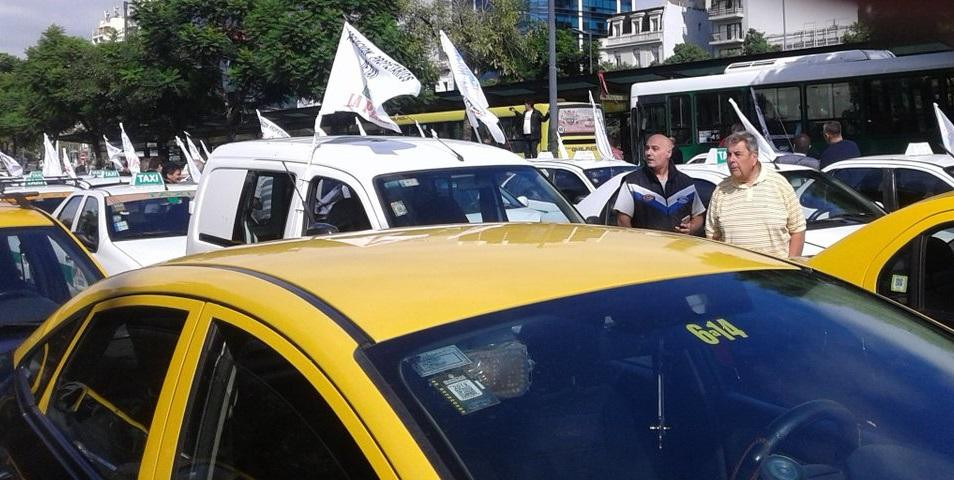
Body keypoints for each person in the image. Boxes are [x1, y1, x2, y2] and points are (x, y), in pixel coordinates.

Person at [706, 132, 806, 258]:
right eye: (728, 155)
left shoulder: (779, 184)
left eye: (737, 154)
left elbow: (797, 230)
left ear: (754, 157)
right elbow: (712, 236)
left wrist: (791, 268)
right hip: (735, 274)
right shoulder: (720, 191)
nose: (731, 160)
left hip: (775, 274)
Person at [614, 134, 705, 235]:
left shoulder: (685, 182)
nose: (649, 153)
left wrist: (692, 227)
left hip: (678, 247)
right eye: (647, 148)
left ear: (669, 153)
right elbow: (622, 221)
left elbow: (698, 216)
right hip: (647, 248)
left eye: (655, 149)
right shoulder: (632, 182)